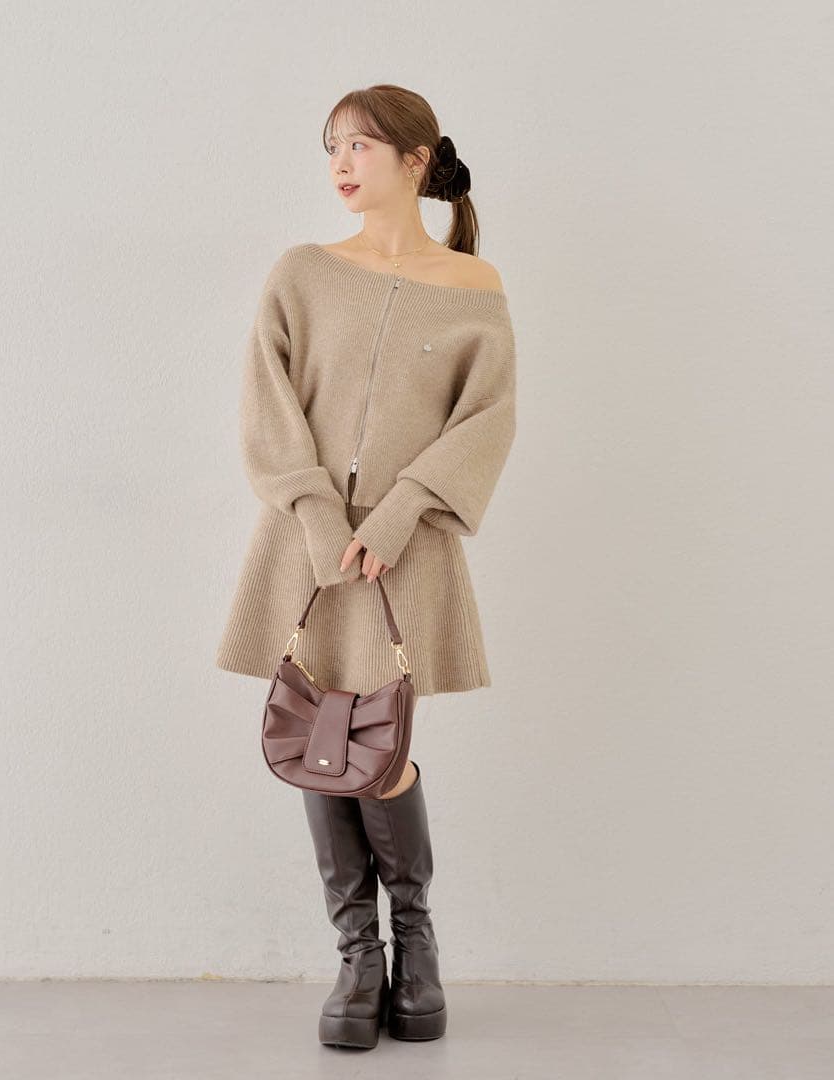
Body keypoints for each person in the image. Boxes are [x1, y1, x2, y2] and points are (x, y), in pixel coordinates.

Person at [215, 84, 517, 1049]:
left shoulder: (472, 284)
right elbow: (267, 401)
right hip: (305, 545)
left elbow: (487, 418)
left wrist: (400, 512)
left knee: (380, 751)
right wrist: (314, 513)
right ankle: (359, 958)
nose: (341, 164)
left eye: (361, 146)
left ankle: (415, 949)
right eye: (332, 148)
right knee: (320, 737)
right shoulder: (303, 271)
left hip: (404, 548)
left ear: (416, 161)